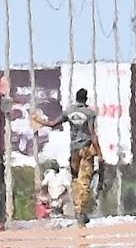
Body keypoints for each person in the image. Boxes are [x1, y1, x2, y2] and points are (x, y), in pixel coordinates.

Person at [34, 89, 101, 225]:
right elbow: (92, 133)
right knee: (85, 181)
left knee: (75, 180)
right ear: (86, 99)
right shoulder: (89, 113)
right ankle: (81, 211)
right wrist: (99, 153)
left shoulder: (69, 112)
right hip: (86, 149)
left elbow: (53, 124)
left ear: (76, 98)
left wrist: (39, 121)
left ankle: (78, 209)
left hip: (74, 151)